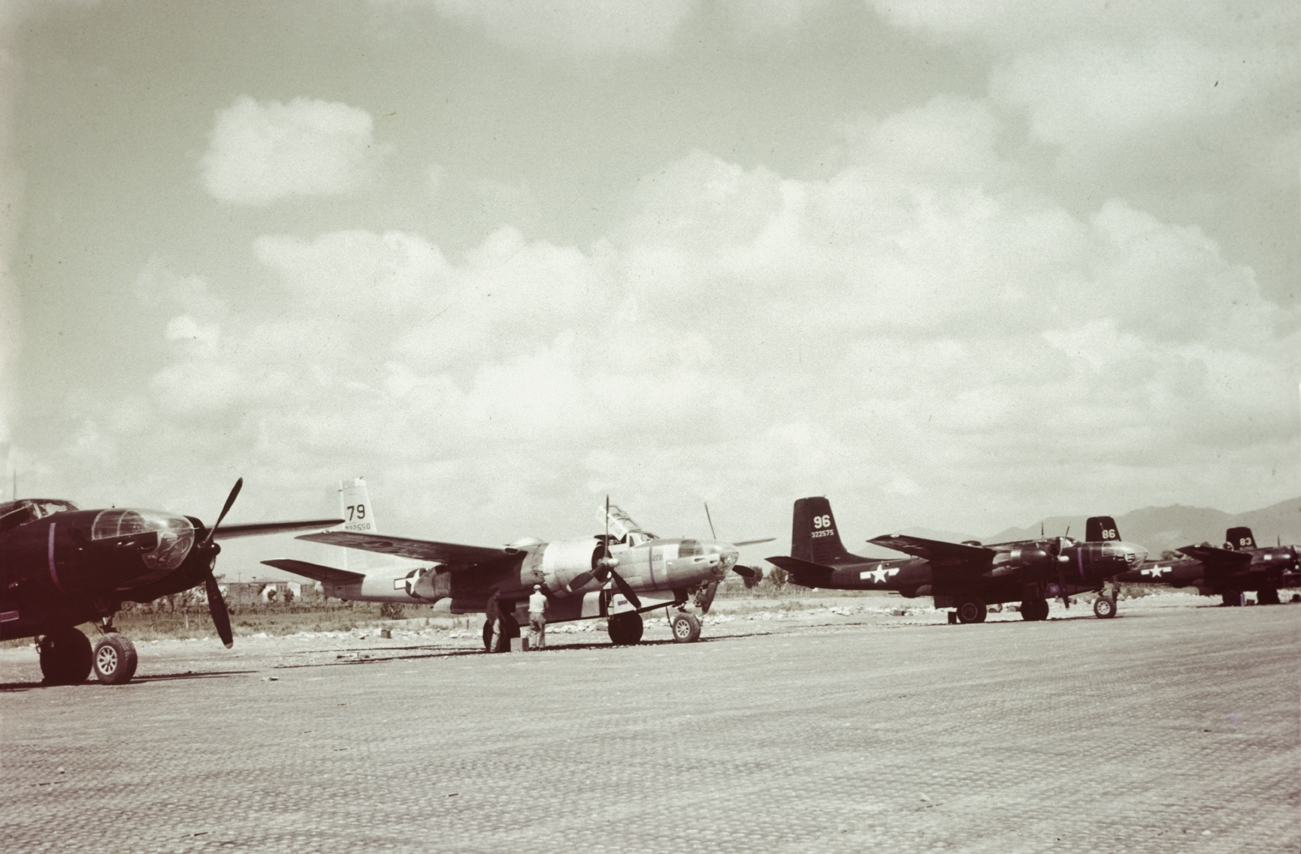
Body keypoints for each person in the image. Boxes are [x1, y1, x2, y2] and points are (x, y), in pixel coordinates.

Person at [528, 584, 547, 650]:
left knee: (533, 630)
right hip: (539, 614)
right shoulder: (544, 597)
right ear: (541, 589)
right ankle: (541, 646)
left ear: (534, 590)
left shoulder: (531, 597)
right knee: (541, 630)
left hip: (532, 614)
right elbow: (547, 606)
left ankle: (533, 645)